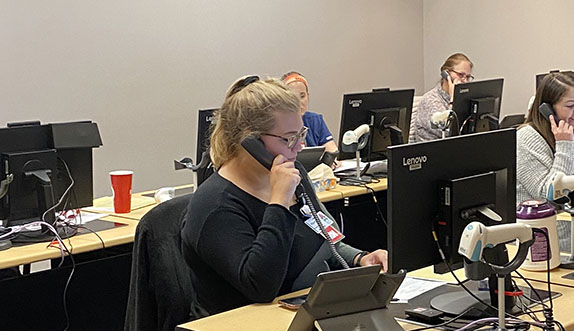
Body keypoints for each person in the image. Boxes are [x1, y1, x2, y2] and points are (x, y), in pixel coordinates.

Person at [181, 76, 388, 317]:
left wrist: (360, 259)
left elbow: (323, 239)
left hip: (304, 311)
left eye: (302, 134)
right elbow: (261, 287)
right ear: (249, 141)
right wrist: (278, 202)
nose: (299, 146)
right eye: (289, 138)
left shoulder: (293, 172)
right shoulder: (215, 205)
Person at [516, 72, 574, 204]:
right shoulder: (525, 138)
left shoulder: (573, 134)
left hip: (565, 221)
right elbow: (550, 196)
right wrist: (565, 145)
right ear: (547, 108)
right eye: (570, 105)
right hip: (535, 222)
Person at [411, 53, 473, 142]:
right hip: (432, 152)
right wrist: (453, 100)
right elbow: (449, 132)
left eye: (468, 77)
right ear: (446, 74)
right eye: (460, 75)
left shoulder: (464, 100)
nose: (465, 81)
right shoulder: (430, 100)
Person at [281, 71, 339, 156]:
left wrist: (331, 160)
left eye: (302, 96)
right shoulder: (278, 125)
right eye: (293, 97)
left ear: (308, 96)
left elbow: (332, 151)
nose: (299, 102)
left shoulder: (315, 120)